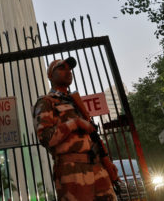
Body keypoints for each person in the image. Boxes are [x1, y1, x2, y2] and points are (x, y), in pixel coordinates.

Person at [33, 57, 117, 201]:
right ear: (50, 76)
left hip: (97, 167)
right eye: (62, 68)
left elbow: (93, 136)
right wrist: (75, 123)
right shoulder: (46, 102)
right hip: (72, 172)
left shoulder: (75, 102)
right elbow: (45, 138)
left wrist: (106, 161)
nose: (68, 71)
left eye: (69, 69)